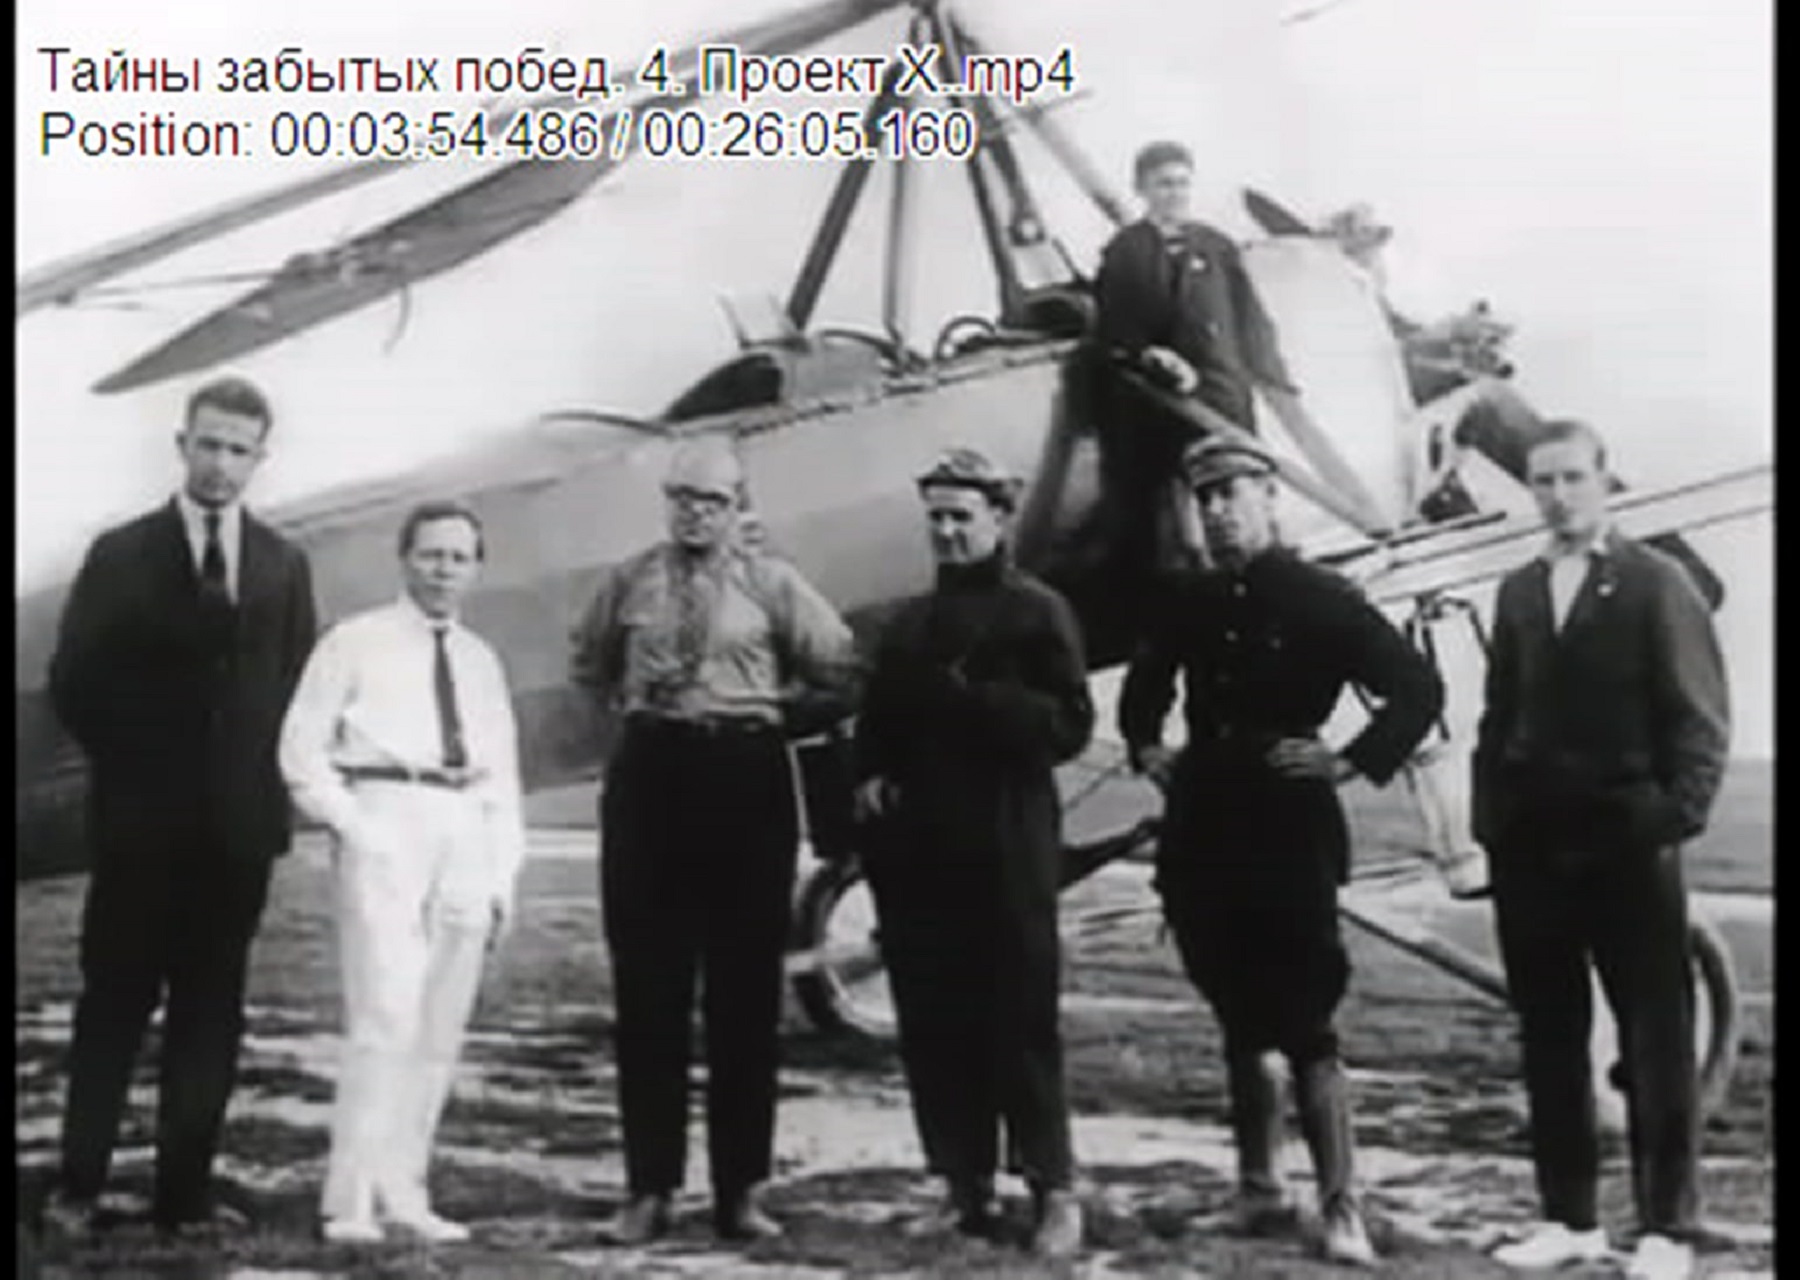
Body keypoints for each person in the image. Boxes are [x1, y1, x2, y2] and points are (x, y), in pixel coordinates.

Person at [1118, 435, 1443, 1266]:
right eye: (1206, 498)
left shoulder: (1321, 597)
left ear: (1270, 497)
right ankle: (1260, 1190)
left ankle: (1342, 1207)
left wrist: (1348, 761)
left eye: (1234, 493)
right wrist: (1150, 751)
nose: (1219, 512)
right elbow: (1142, 692)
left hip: (1289, 825)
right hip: (1204, 826)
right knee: (1233, 1002)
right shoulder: (1189, 600)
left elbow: (1417, 688)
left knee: (1303, 1012)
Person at [42, 376, 318, 1237]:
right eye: (208, 444)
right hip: (140, 832)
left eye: (238, 450)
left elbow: (296, 688)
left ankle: (184, 1196)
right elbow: (74, 681)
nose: (221, 464)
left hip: (235, 839)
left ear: (260, 458)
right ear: (182, 445)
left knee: (210, 1013)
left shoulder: (282, 564)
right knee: (114, 1006)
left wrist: (254, 790)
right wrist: (141, 773)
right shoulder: (121, 554)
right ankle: (78, 1186)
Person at [569, 438, 859, 1245]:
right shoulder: (630, 580)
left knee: (744, 994)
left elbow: (842, 670)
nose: (695, 514)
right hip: (651, 781)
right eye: (682, 499)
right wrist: (643, 721)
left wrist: (768, 716)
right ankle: (649, 1189)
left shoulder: (774, 584)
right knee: (648, 991)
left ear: (740, 508)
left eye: (713, 501)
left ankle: (740, 1191)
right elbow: (589, 664)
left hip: (745, 782)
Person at [1474, 420, 1729, 1280]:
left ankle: (1667, 1230)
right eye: (1542, 481)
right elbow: (1499, 715)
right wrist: (1494, 825)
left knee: (1656, 1041)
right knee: (1550, 1036)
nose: (1557, 496)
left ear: (1605, 482)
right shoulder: (1517, 592)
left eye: (1573, 478)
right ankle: (1570, 1220)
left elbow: (1700, 724)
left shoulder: (1658, 584)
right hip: (1533, 853)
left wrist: (1662, 822)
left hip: (1628, 850)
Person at [854, 447, 1095, 1258]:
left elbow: (1069, 725)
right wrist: (873, 776)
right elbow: (877, 723)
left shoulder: (1038, 612)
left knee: (1019, 1016)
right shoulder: (910, 624)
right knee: (935, 1017)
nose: (949, 533)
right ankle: (964, 1187)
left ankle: (1054, 1191)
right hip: (925, 846)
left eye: (962, 517)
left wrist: (981, 702)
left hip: (1007, 833)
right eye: (937, 519)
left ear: (999, 519)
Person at [278, 500, 524, 1244]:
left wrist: (501, 875)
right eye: (431, 555)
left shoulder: (480, 660)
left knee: (440, 1025)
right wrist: (358, 827)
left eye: (459, 558)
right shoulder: (355, 642)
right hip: (387, 813)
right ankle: (350, 1200)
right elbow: (300, 752)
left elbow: (503, 775)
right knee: (385, 1013)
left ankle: (404, 1191)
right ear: (405, 559)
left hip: (464, 827)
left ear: (476, 569)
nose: (444, 570)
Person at [1084, 140, 1296, 612]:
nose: (1175, 193)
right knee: (1184, 517)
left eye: (1181, 183)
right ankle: (1202, 592)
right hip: (1161, 407)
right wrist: (1149, 356)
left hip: (1223, 397)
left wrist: (1277, 379)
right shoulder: (1125, 253)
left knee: (1241, 492)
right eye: (1163, 184)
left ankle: (1263, 585)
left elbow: (1252, 320)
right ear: (1142, 189)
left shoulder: (1216, 246)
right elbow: (1112, 333)